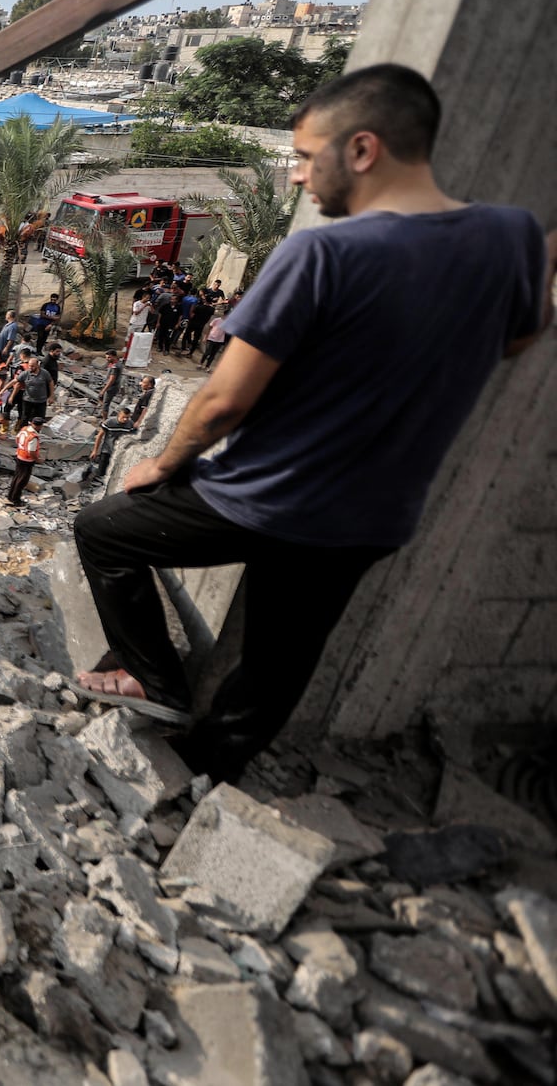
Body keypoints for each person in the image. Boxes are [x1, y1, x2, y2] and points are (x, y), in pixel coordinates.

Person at [72, 64, 553, 783]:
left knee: (104, 531)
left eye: (303, 157)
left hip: (262, 497)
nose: (296, 177)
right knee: (278, 661)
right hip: (372, 518)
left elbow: (223, 400)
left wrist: (164, 463)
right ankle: (205, 779)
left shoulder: (324, 252)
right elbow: (519, 338)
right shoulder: (512, 235)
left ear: (361, 150)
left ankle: (154, 679)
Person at [7, 421, 42, 506]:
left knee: (16, 477)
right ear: (39, 426)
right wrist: (37, 459)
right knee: (22, 480)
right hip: (27, 460)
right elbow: (31, 451)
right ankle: (16, 499)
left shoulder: (24, 429)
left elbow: (17, 439)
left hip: (20, 456)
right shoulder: (33, 437)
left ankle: (10, 496)